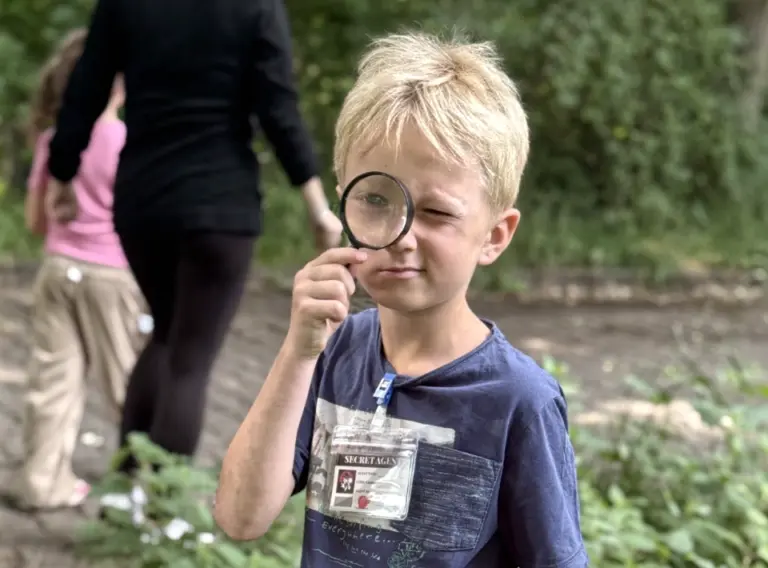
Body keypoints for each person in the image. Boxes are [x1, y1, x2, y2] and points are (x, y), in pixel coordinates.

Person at [215, 31, 589, 567]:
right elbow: (240, 516)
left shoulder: (518, 400)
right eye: (374, 200)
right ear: (344, 199)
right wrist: (299, 352)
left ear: (495, 235)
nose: (400, 234)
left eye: (436, 213)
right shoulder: (334, 352)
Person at [44, 0, 341, 509]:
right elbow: (277, 106)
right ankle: (162, 512)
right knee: (190, 358)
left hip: (144, 200)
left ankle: (125, 493)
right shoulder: (255, 7)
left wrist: (63, 172)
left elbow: (85, 87)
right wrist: (317, 204)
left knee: (164, 334)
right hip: (219, 207)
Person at [13, 28, 146, 511]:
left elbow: (35, 220)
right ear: (119, 83)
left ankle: (42, 483)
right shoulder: (129, 141)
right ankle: (146, 488)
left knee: (53, 380)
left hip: (57, 267)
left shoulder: (53, 140)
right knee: (125, 383)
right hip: (111, 276)